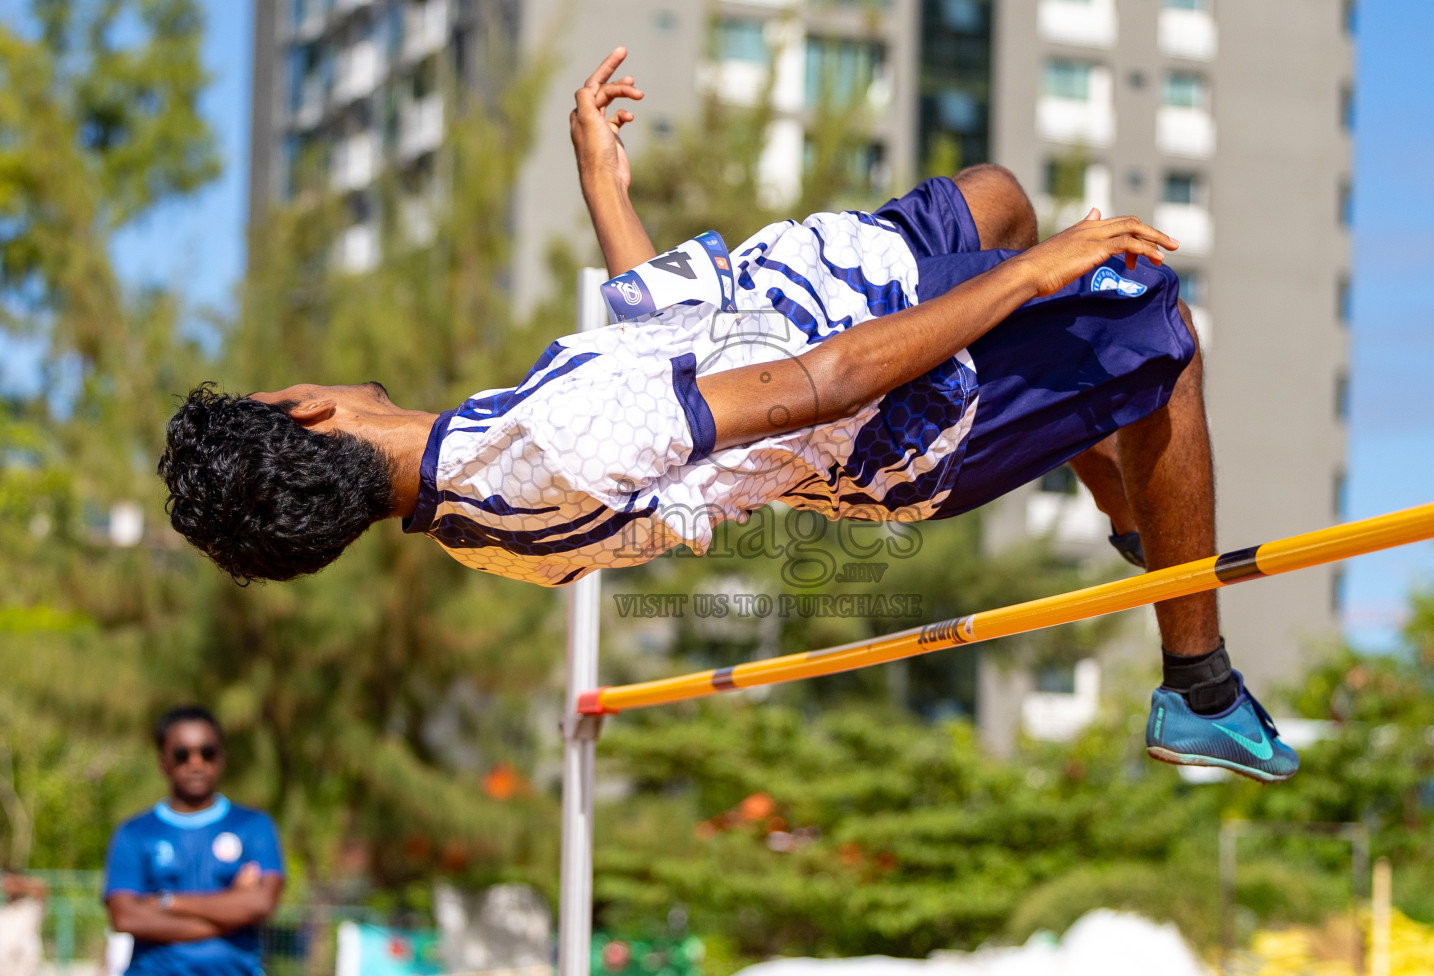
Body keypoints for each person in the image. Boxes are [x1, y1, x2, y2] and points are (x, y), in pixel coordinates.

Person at [157, 48, 1297, 783]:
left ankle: (1149, 522)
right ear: (310, 413)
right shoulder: (542, 450)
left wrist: (605, 186)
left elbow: (663, 359)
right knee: (1160, 340)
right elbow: (811, 389)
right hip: (892, 396)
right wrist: (1032, 276)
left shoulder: (474, 487)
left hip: (835, 283)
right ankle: (1197, 681)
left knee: (996, 196)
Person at [103, 706, 285, 976]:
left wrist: (169, 902)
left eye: (207, 752)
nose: (196, 762)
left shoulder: (254, 826)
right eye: (182, 754)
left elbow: (261, 904)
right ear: (163, 762)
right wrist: (229, 911)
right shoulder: (133, 833)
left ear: (221, 758)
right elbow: (126, 917)